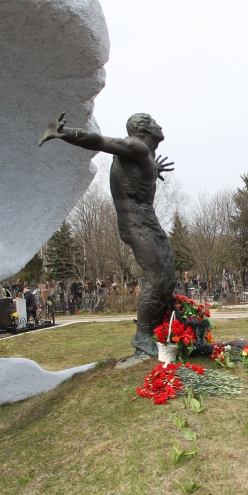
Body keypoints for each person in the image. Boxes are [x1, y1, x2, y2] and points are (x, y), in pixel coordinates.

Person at [39, 112, 176, 357]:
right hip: (135, 222)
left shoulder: (144, 154)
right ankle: (142, 336)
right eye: (155, 122)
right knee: (157, 278)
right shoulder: (134, 145)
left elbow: (136, 176)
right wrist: (64, 133)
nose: (160, 125)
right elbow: (100, 141)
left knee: (167, 277)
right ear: (144, 129)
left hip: (148, 219)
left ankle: (161, 328)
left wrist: (153, 170)